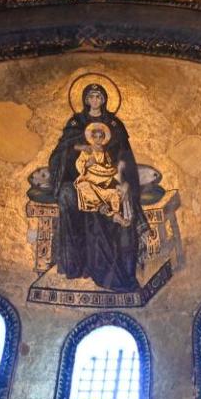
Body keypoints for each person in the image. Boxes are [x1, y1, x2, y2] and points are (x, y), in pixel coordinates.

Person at [48, 83, 147, 292]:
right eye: (91, 97)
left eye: (99, 97)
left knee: (120, 198)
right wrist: (81, 148)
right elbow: (61, 152)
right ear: (85, 99)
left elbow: (125, 156)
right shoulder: (76, 123)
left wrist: (123, 177)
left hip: (109, 177)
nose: (95, 100)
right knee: (68, 194)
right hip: (81, 178)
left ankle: (120, 269)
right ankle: (76, 262)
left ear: (104, 100)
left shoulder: (114, 124)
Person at [74, 122, 131, 227]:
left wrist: (111, 170)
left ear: (104, 138)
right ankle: (101, 206)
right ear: (92, 138)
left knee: (114, 193)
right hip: (90, 178)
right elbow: (79, 163)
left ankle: (117, 216)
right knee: (84, 186)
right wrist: (87, 164)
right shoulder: (88, 150)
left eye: (101, 137)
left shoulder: (105, 153)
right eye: (95, 137)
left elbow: (108, 167)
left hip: (103, 180)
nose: (98, 139)